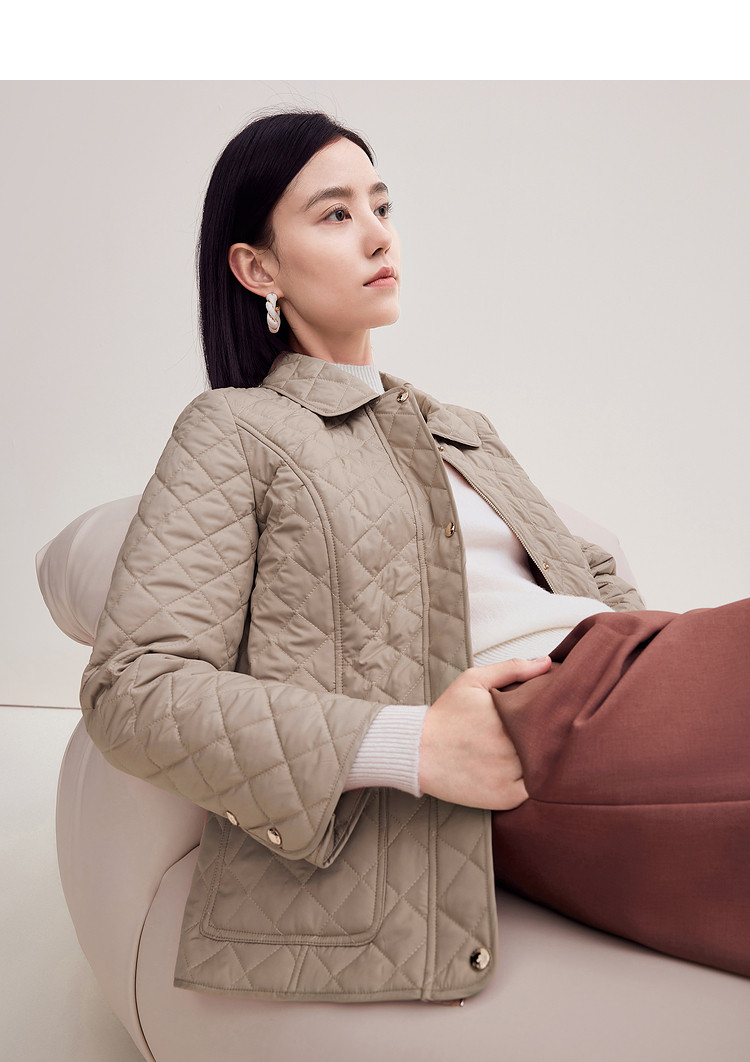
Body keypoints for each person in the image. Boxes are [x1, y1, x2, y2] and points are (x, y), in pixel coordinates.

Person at [79, 110, 750, 1003]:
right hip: (537, 722)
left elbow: (592, 576)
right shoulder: (235, 429)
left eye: (381, 206)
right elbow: (132, 687)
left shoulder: (458, 428)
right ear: (257, 268)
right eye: (335, 213)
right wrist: (414, 745)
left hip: (630, 675)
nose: (378, 234)